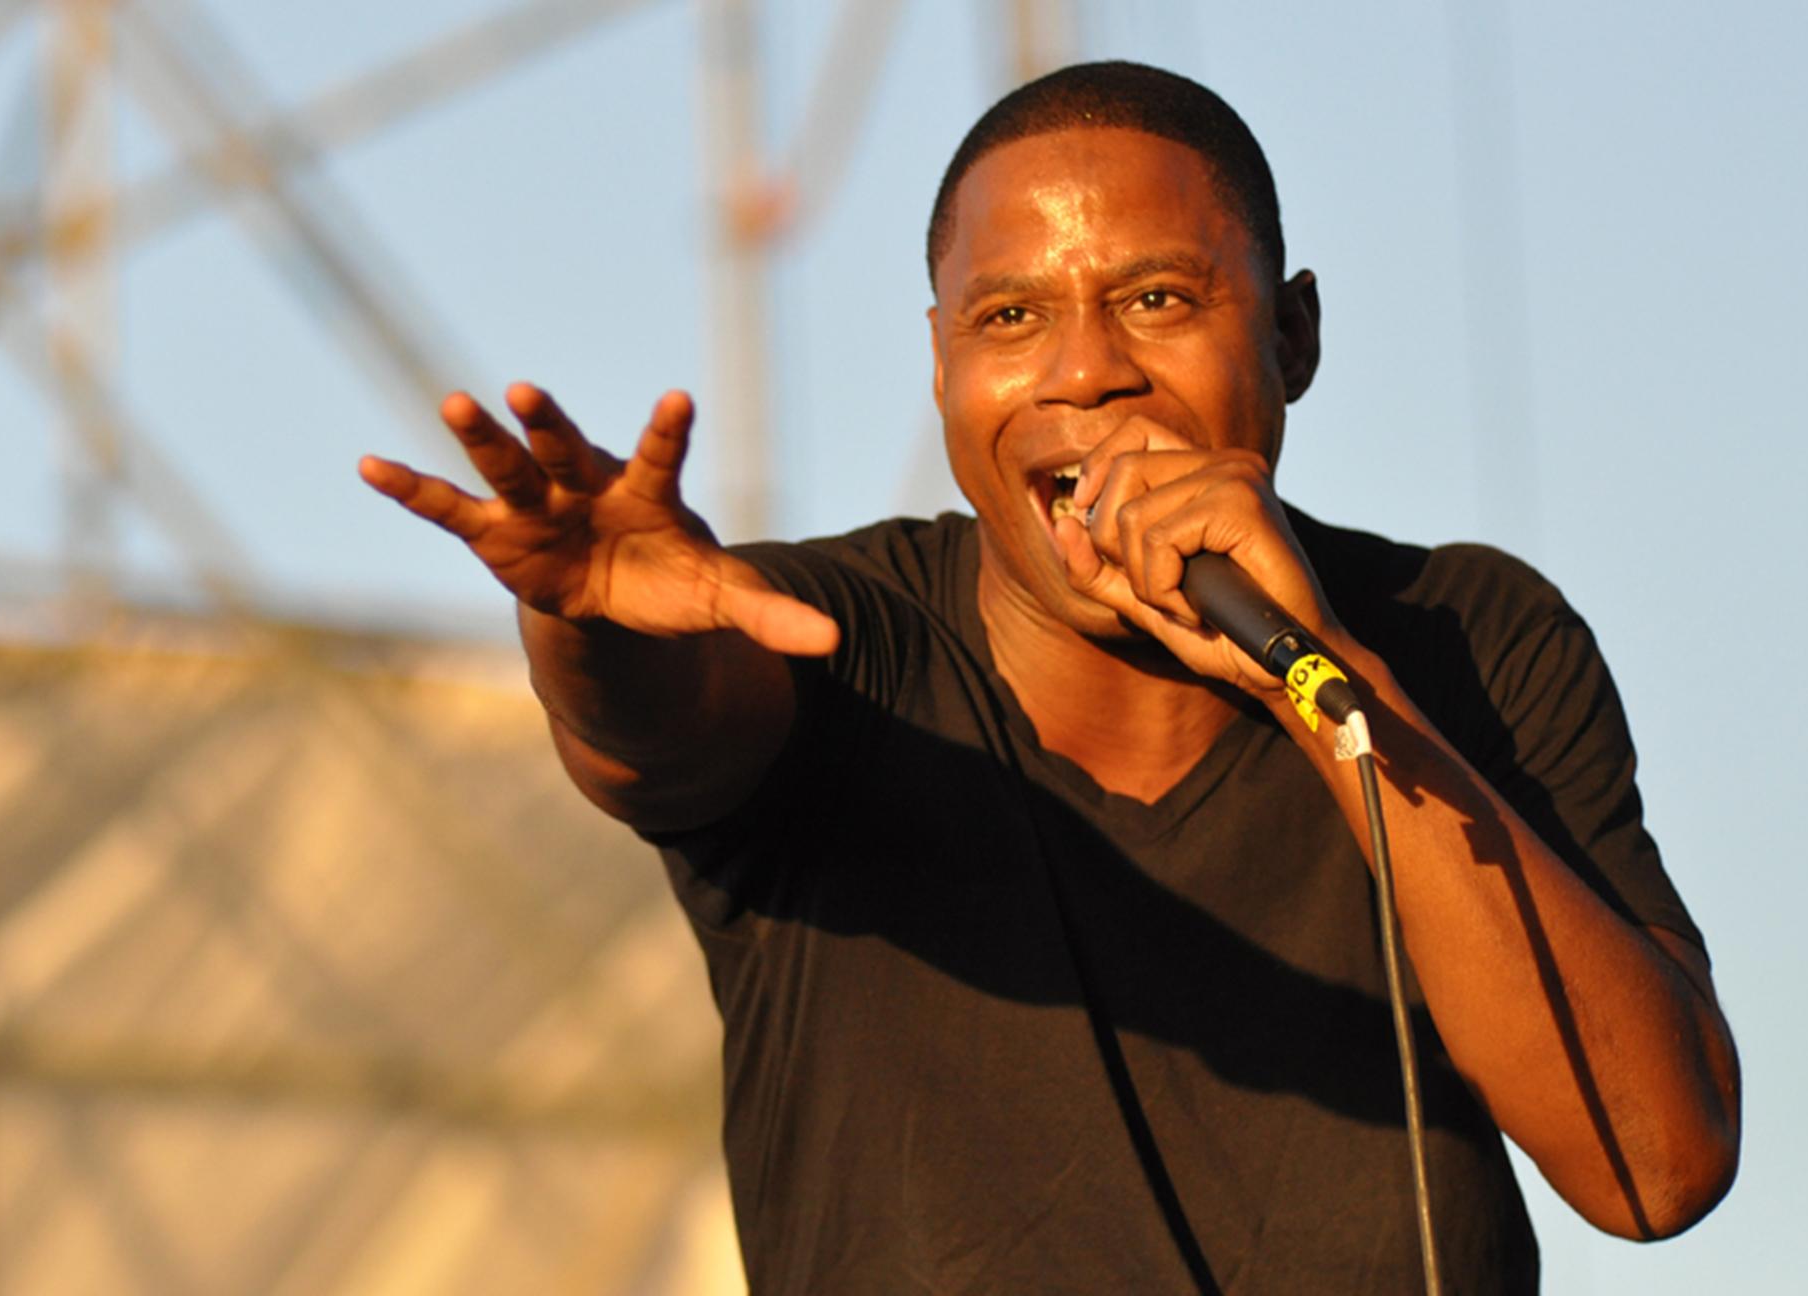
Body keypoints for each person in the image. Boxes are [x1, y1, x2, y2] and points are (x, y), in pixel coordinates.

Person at [360, 60, 1738, 1295]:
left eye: (1156, 299)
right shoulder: (839, 644)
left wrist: (1321, 683)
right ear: (944, 367)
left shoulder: (1462, 640)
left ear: (1295, 336)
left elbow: (1652, 1169)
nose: (1084, 371)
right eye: (1009, 317)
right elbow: (660, 729)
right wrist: (592, 627)